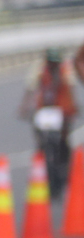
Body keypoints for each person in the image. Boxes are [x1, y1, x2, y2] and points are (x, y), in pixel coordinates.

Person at [21, 47, 79, 200]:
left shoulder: (65, 70)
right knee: (40, 137)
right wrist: (24, 108)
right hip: (45, 109)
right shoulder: (39, 70)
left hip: (61, 109)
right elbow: (30, 90)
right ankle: (42, 158)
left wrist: (73, 108)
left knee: (64, 139)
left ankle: (66, 162)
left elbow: (71, 89)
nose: (53, 65)